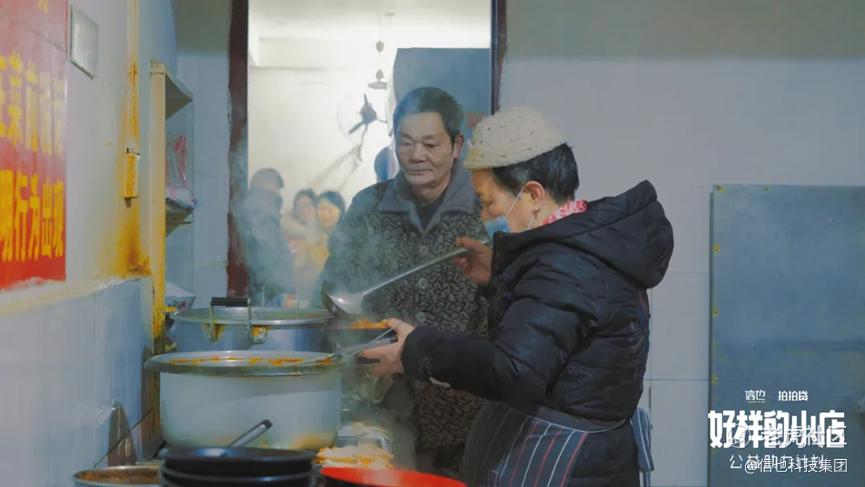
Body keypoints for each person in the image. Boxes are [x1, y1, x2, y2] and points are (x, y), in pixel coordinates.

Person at [362, 107, 674, 486]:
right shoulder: (577, 247)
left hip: (568, 468)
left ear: (532, 194)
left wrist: (415, 350)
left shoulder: (565, 265)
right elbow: (548, 335)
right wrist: (498, 277)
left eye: (488, 202)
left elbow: (513, 369)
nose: (484, 216)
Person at [317, 87, 489, 473]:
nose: (416, 155)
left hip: (467, 408)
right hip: (383, 405)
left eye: (430, 143)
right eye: (406, 142)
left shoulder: (485, 209)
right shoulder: (369, 206)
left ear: (456, 145)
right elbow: (334, 287)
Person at [236, 168, 295, 306]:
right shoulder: (261, 208)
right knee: (266, 319)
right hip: (266, 290)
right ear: (268, 184)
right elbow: (266, 251)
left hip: (263, 287)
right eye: (277, 188)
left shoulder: (254, 206)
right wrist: (278, 284)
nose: (278, 193)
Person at [293, 191, 345, 304]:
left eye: (330, 209)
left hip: (342, 294)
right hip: (316, 293)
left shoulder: (347, 234)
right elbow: (301, 264)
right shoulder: (310, 232)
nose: (325, 214)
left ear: (340, 211)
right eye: (321, 209)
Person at [282, 188, 319, 254]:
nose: (303, 210)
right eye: (299, 206)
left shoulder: (325, 232)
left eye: (308, 205)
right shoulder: (287, 233)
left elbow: (324, 258)